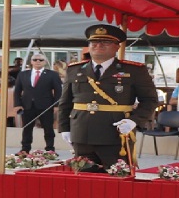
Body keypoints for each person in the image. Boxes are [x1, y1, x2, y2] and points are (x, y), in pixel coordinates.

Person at [58, 24, 157, 172]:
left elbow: (150, 100)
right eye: (94, 42)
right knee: (84, 181)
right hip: (81, 133)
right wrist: (64, 128)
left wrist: (134, 121)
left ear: (117, 46)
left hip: (115, 135)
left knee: (118, 180)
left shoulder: (134, 70)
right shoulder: (75, 69)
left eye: (105, 42)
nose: (98, 45)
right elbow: (65, 102)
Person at [13, 54, 62, 152]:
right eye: (35, 59)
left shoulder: (52, 74)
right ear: (31, 62)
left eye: (40, 60)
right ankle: (25, 149)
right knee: (27, 128)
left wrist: (56, 105)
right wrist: (17, 104)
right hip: (27, 105)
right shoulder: (23, 74)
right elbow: (17, 90)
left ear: (44, 62)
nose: (38, 61)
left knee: (48, 129)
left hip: (46, 106)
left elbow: (58, 91)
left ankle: (50, 149)